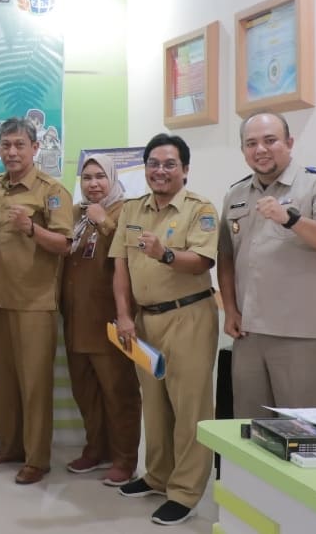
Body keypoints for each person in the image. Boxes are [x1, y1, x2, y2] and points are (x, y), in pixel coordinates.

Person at [110, 133, 218, 526]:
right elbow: (120, 267)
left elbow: (203, 261)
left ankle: (186, 492)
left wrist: (165, 253)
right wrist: (124, 315)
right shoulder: (132, 209)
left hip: (189, 317)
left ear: (185, 170)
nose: (160, 170)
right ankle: (157, 476)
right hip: (144, 320)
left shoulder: (198, 209)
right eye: (153, 163)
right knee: (154, 406)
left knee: (190, 407)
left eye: (170, 164)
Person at [218, 112, 316, 417]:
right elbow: (226, 255)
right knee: (249, 430)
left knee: (303, 434)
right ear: (243, 151)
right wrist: (230, 309)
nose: (260, 149)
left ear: (289, 143)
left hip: (302, 335)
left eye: (270, 140)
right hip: (249, 334)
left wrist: (290, 218)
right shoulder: (236, 194)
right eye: (251, 143)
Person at [0, 117, 73, 485]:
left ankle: (37, 458)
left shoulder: (51, 191)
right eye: (6, 145)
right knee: (3, 382)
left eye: (19, 145)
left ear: (34, 148)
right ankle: (10, 446)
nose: (12, 152)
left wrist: (32, 228)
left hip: (36, 301)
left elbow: (66, 244)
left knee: (34, 384)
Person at [59, 154, 141, 487]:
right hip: (76, 318)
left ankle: (125, 459)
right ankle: (96, 449)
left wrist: (104, 221)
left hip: (109, 319)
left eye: (99, 177)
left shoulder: (127, 211)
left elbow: (130, 253)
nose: (93, 184)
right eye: (87, 177)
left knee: (118, 391)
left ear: (112, 178)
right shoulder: (76, 214)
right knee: (85, 390)